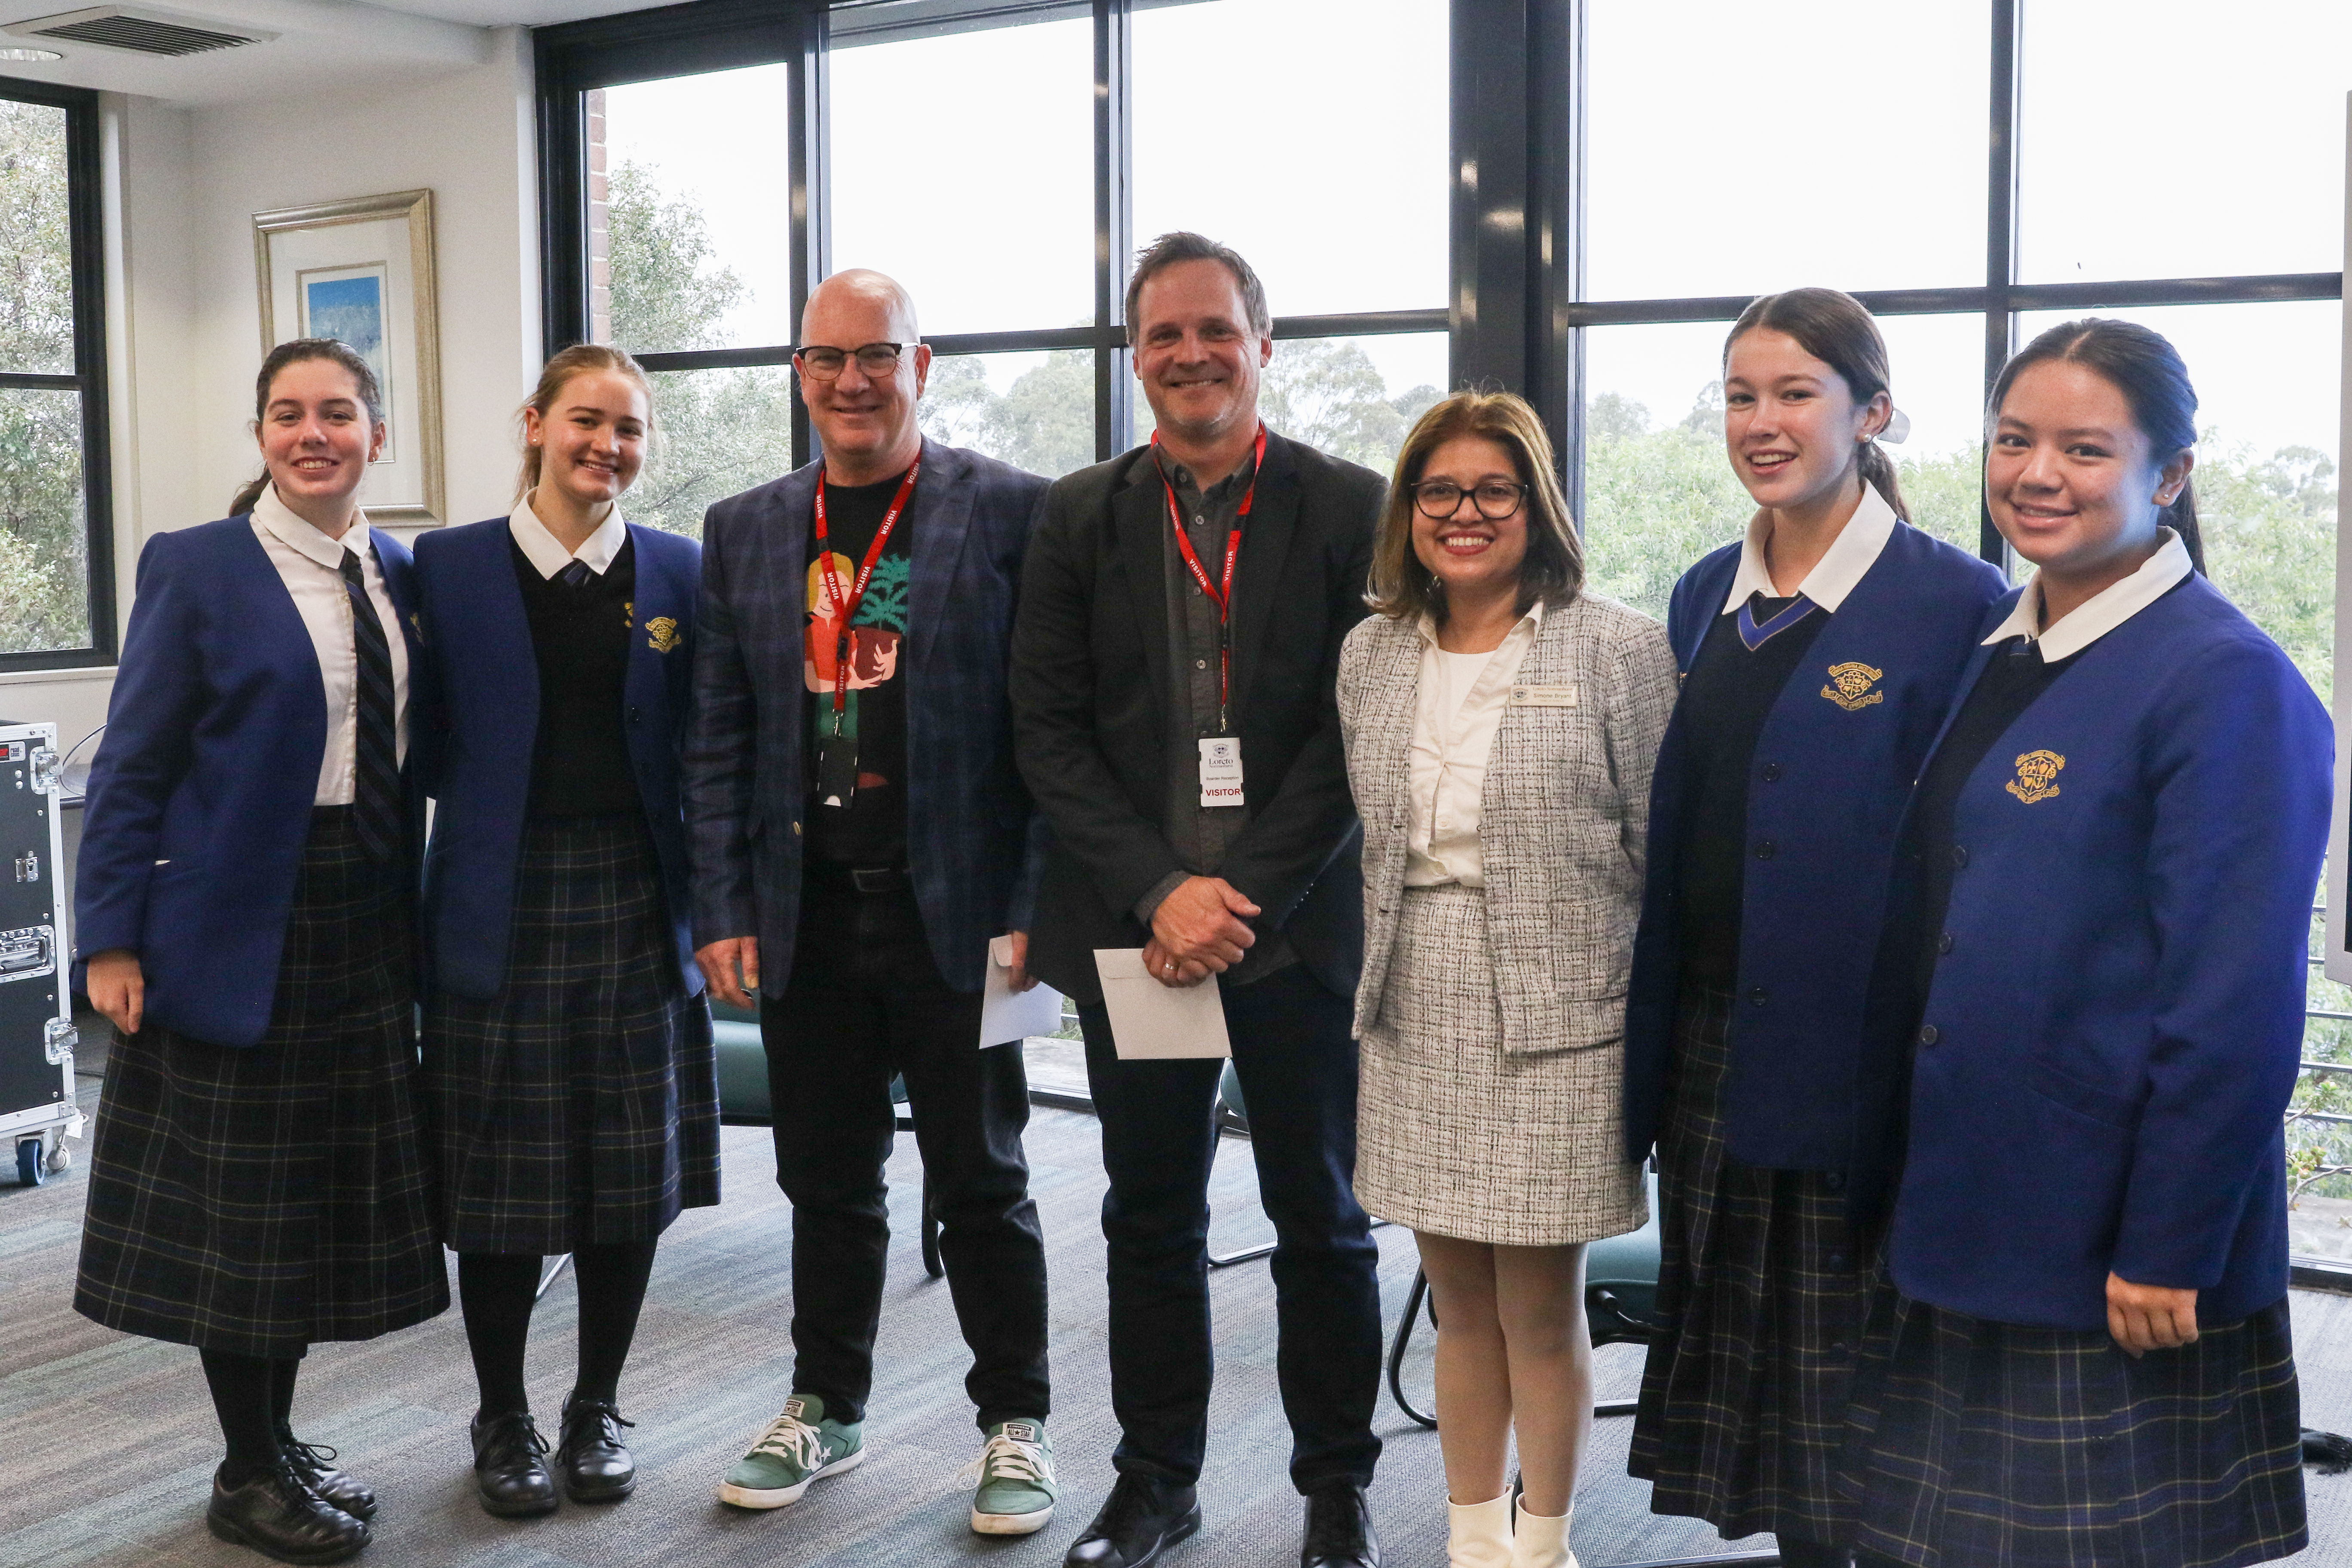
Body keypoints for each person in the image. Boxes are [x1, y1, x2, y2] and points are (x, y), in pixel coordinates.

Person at [1839, 319, 2327, 1568]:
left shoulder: (2226, 681)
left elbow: (2233, 1006)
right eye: (2014, 439)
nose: (2037, 473)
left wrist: (2172, 1240)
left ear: (2169, 477)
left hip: (2109, 1239)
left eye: (2085, 448)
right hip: (1973, 1198)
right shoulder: (2007, 646)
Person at [1010, 230, 1386, 1568]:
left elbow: (1362, 732)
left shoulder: (1352, 506)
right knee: (1147, 1216)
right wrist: (1166, 892)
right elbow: (1047, 733)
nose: (1188, 354)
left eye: (1214, 329)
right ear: (1135, 356)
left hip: (1295, 940)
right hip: (1140, 944)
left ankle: (1334, 1491)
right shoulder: (1079, 515)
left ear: (1263, 344)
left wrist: (1243, 896)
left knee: (1322, 1222)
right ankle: (1155, 1481)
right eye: (1162, 335)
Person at [1619, 289, 2006, 1567]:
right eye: (1741, 396)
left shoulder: (1957, 604)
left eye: (1795, 394)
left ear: (1872, 411)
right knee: (1770, 1391)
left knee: (1870, 1385)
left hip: (1869, 1054)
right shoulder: (1700, 598)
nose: (1763, 422)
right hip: (1716, 1046)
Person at [683, 269, 1059, 1537]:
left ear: (922, 364)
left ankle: (1016, 1424)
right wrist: (723, 904)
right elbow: (721, 736)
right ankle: (826, 1406)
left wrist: (1035, 906)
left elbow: (1049, 737)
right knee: (826, 1181)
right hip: (807, 912)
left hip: (964, 915)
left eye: (877, 356)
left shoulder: (1011, 511)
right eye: (828, 358)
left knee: (983, 1179)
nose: (853, 380)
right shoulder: (744, 528)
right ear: (800, 372)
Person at [72, 338, 443, 1565]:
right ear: (264, 436)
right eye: (287, 415)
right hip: (233, 927)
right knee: (244, 1211)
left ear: (376, 437)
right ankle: (245, 1468)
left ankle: (277, 1442)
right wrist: (111, 941)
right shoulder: (198, 566)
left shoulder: (396, 570)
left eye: (337, 413)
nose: (311, 434)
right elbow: (131, 768)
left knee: (312, 1202)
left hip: (364, 917)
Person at [1340, 390, 1676, 1568]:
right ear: (1410, 510)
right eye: (1441, 492)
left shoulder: (1618, 648)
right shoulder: (1372, 653)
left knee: (1541, 1306)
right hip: (1415, 1000)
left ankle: (1543, 1545)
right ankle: (1471, 1538)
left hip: (1561, 1017)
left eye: (1496, 490)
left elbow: (1659, 851)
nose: (1467, 513)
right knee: (1456, 1300)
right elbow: (1375, 843)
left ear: (1536, 505)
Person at [410, 344, 717, 1519]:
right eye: (587, 421)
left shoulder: (680, 572)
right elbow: (417, 744)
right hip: (498, 898)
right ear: (535, 422)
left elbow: (708, 742)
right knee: (498, 1175)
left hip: (641, 900)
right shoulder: (445, 569)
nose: (608, 447)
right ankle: (504, 1415)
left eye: (630, 430)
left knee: (627, 1175)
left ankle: (596, 1405)